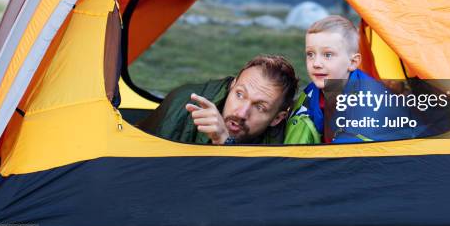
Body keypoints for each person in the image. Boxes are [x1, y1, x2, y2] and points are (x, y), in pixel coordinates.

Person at [284, 15, 418, 144]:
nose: (316, 63)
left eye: (328, 54)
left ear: (353, 62)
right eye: (310, 54)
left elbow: (350, 161)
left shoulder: (370, 104)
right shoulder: (309, 96)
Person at [138, 55, 298, 144]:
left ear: (277, 118)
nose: (241, 113)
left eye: (260, 107)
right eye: (240, 95)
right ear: (232, 86)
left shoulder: (283, 148)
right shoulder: (184, 103)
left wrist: (224, 143)